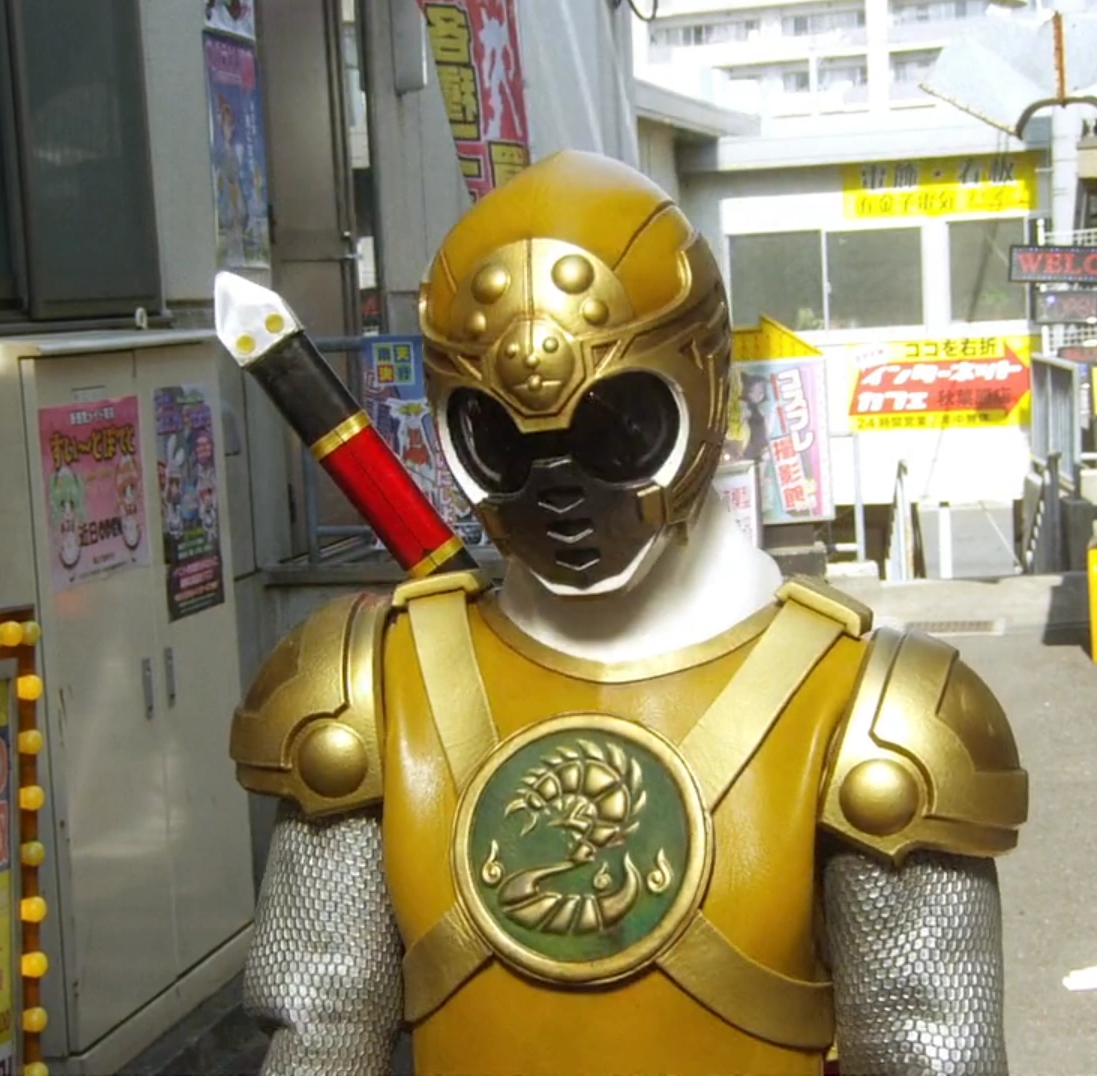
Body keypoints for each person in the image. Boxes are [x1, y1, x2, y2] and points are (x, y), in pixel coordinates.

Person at [226, 150, 1027, 1076]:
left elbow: (928, 1046)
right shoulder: (372, 686)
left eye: (613, 426)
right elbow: (321, 1032)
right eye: (501, 441)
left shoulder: (870, 713)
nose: (560, 486)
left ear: (703, 383)